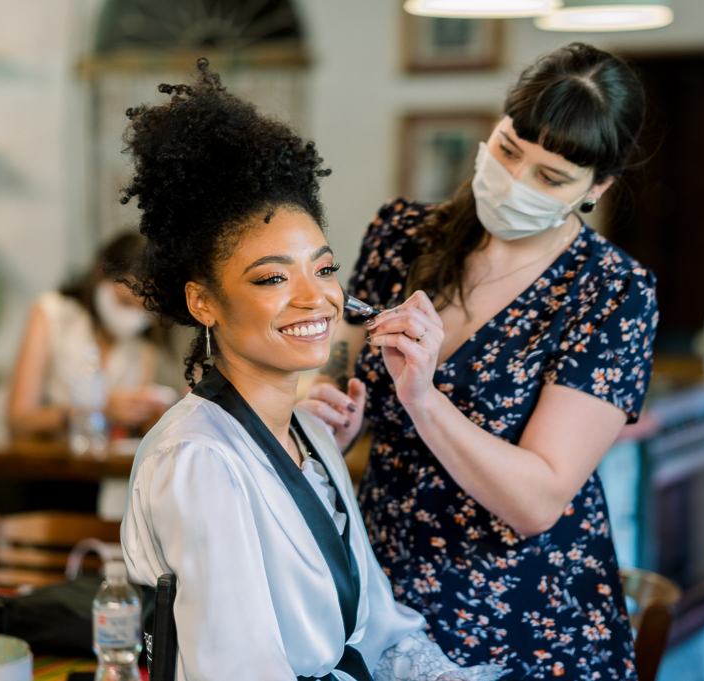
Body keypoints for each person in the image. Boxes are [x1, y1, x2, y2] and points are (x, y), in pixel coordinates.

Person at [118, 60, 504, 681]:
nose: (315, 298)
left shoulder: (314, 437)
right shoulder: (196, 462)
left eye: (323, 269)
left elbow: (379, 629)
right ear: (203, 302)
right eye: (273, 278)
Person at [301, 43, 656, 680]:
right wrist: (330, 402)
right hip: (383, 589)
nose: (516, 182)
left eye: (550, 178)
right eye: (509, 149)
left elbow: (539, 500)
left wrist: (425, 402)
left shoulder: (612, 291)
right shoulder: (401, 233)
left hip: (525, 617)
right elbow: (342, 357)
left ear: (596, 187)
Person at [0, 232, 177, 514]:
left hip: (75, 474)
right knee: (88, 510)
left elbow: (123, 431)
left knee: (131, 506)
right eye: (124, 302)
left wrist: (150, 416)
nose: (133, 316)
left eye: (143, 310)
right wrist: (99, 409)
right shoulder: (52, 313)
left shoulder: (143, 343)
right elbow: (20, 421)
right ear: (100, 273)